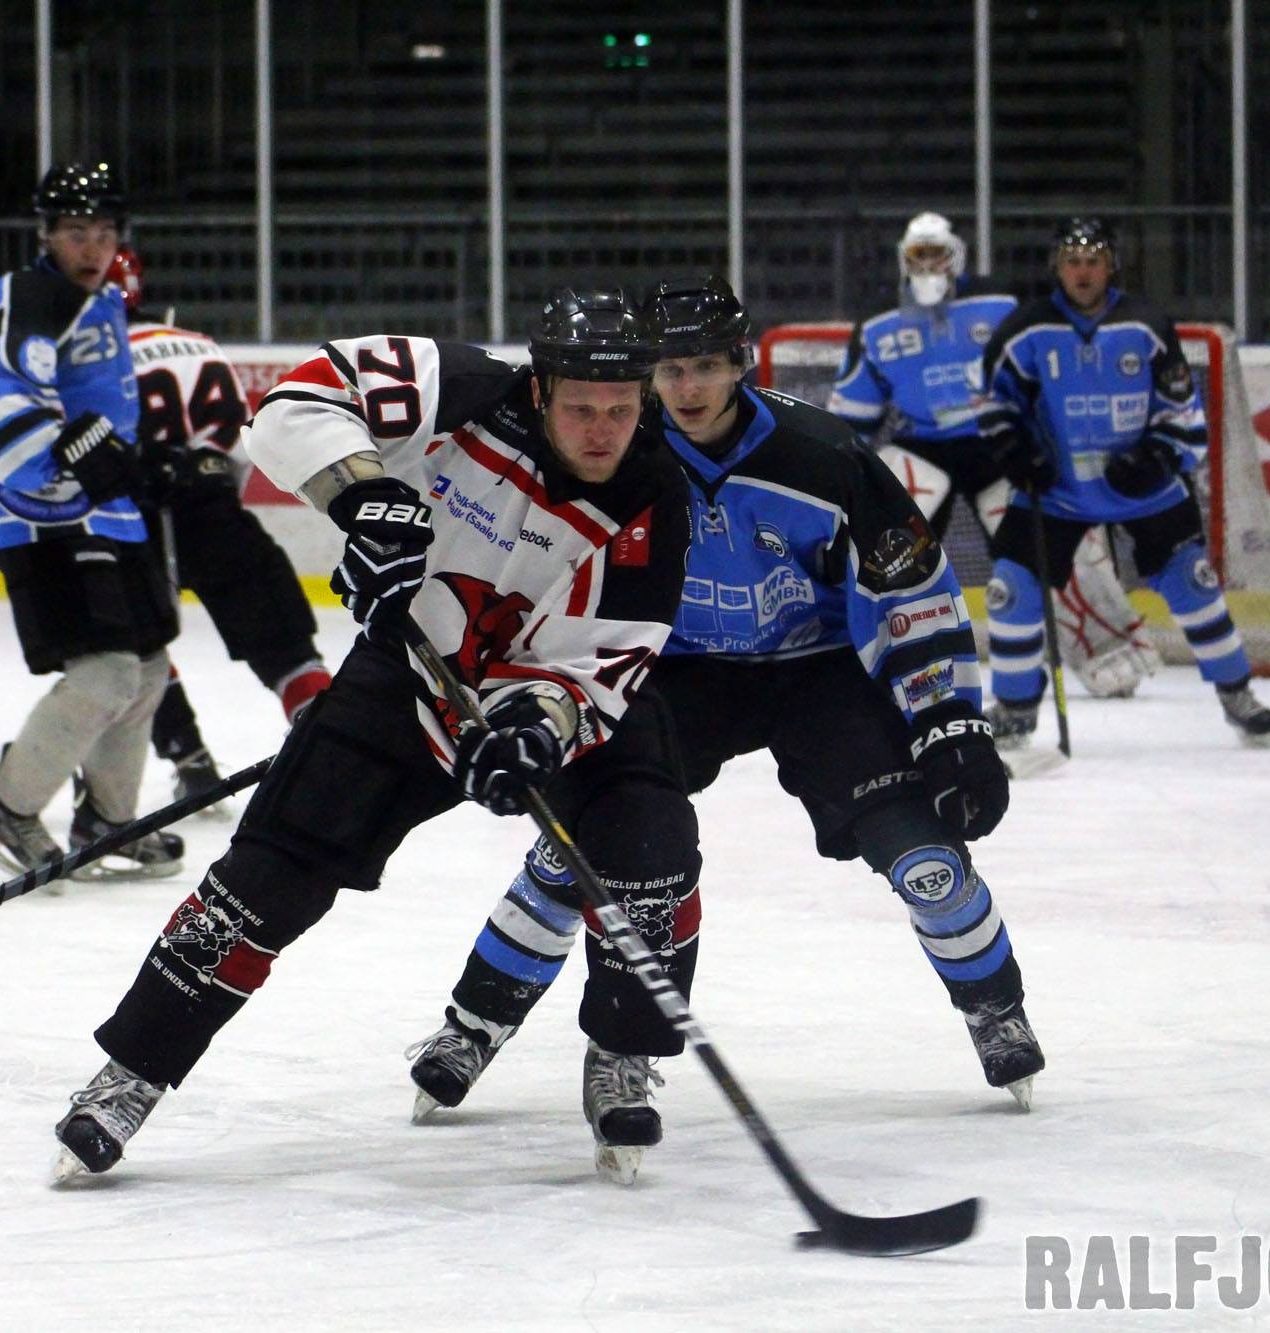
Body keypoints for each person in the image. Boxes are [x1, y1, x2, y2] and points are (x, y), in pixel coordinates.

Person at [49, 289, 702, 1184]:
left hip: (549, 708)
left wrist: (531, 727)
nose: (602, 430)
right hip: (406, 678)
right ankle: (129, 1073)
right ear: (542, 389)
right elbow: (292, 404)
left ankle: (623, 1054)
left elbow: (602, 656)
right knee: (266, 877)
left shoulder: (655, 493)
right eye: (582, 408)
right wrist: (366, 500)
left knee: (650, 842)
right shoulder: (467, 387)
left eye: (621, 410)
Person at [405, 277, 1040, 1178]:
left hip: (811, 670)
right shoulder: (619, 450)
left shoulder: (826, 455)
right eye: (668, 367)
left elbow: (911, 591)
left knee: (925, 855)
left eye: (706, 364)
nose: (687, 386)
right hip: (672, 670)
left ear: (742, 362)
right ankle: (477, 1022)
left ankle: (994, 1005)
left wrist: (948, 723)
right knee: (579, 849)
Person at [829, 212, 1158, 699]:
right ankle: (869, 659)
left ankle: (1108, 649)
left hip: (996, 444)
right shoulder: (879, 323)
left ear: (955, 256)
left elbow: (1036, 372)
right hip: (921, 444)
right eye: (918, 256)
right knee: (881, 541)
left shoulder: (999, 304)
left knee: (1056, 539)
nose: (927, 265)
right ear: (903, 259)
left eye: (935, 254)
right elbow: (853, 413)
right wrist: (840, 465)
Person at [977, 217, 1270, 748]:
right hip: (1058, 492)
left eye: (1094, 260)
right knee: (1010, 590)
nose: (1083, 271)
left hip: (1146, 492)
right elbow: (996, 406)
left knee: (1195, 585)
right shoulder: (1026, 331)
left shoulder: (1145, 325)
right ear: (1057, 268)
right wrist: (1016, 452)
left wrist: (1157, 457)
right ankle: (1015, 706)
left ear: (1111, 265)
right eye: (1072, 261)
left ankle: (1237, 693)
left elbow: (1182, 411)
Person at [0, 162, 183, 883]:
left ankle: (110, 822)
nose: (92, 246)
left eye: (104, 232)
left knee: (148, 665)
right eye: (76, 232)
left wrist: (143, 462)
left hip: (104, 512)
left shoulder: (104, 302)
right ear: (46, 234)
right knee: (107, 668)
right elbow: (1, 391)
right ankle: (10, 808)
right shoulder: (28, 293)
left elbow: (104, 411)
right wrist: (73, 453)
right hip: (39, 514)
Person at [106, 244, 333, 812]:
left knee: (141, 646)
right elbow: (240, 446)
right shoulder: (202, 344)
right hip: (217, 507)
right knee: (286, 644)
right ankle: (330, 752)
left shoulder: (99, 355)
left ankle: (191, 762)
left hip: (141, 519)